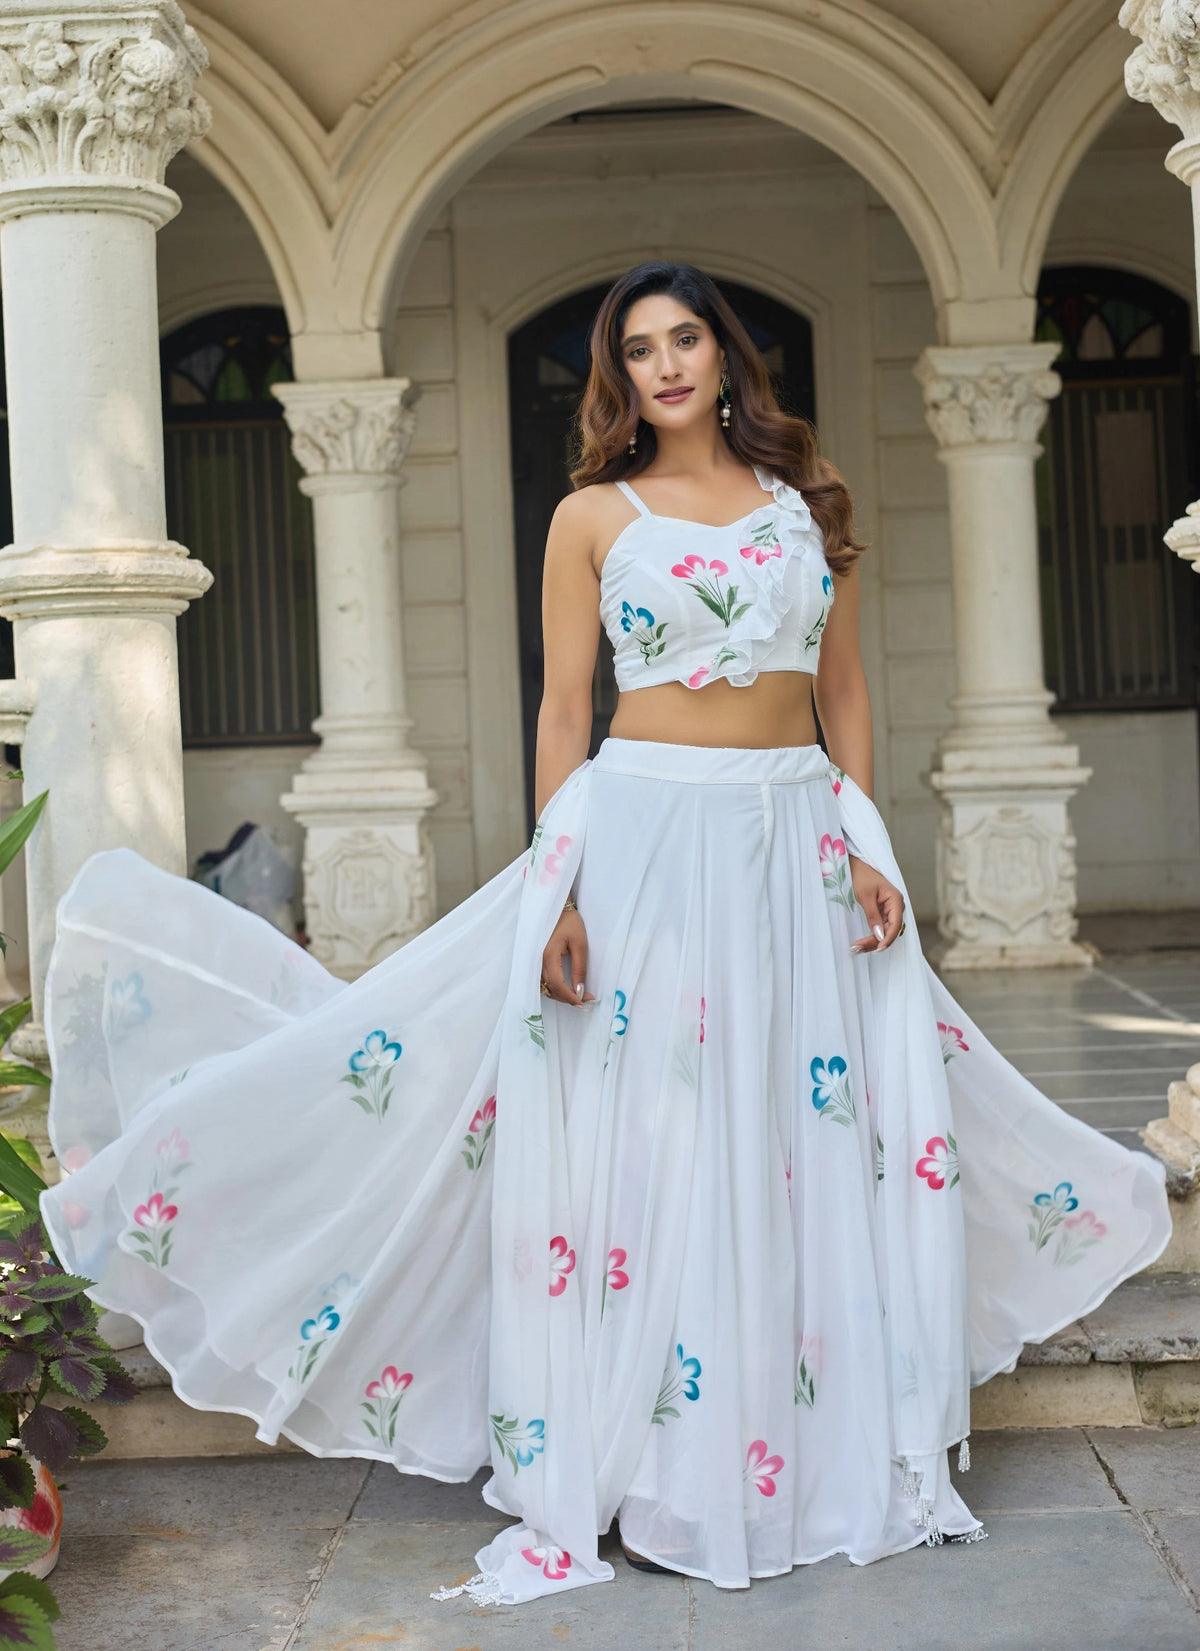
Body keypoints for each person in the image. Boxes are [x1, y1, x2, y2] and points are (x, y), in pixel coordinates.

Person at [40, 263, 1170, 1609]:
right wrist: (557, 892)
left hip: (790, 847)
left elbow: (848, 690)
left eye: (687, 338)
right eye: (640, 350)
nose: (669, 365)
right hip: (637, 847)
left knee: (787, 1146)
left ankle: (790, 1449)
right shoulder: (591, 516)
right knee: (654, 1149)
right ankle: (653, 1462)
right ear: (618, 379)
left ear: (727, 355)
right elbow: (564, 712)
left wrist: (867, 851)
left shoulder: (810, 501)